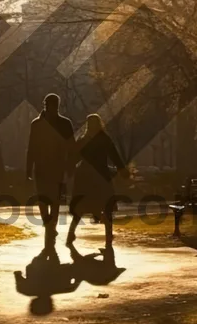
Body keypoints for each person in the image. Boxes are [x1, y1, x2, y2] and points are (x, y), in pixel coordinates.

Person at [67, 113, 127, 246]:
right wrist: (123, 170)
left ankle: (71, 233)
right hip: (101, 175)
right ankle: (109, 235)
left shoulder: (83, 140)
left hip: (84, 176)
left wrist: (69, 169)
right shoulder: (105, 139)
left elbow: (74, 158)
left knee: (80, 207)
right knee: (107, 205)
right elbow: (114, 155)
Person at [26, 93, 75, 247]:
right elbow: (32, 147)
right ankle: (49, 224)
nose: (52, 108)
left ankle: (50, 225)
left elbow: (71, 147)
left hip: (52, 166)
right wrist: (28, 168)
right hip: (48, 166)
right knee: (46, 199)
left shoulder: (42, 124)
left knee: (51, 199)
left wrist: (70, 166)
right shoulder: (60, 123)